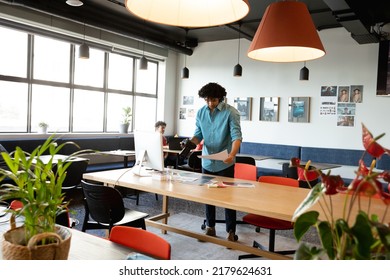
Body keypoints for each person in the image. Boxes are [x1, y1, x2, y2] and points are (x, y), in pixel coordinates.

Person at [182, 82, 243, 242]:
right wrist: (190, 144)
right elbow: (198, 134)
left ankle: (231, 231)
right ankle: (210, 227)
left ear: (220, 98)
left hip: (225, 162)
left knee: (228, 198)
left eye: (214, 100)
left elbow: (237, 136)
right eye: (207, 100)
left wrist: (232, 154)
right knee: (208, 196)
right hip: (207, 162)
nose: (210, 103)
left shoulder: (231, 113)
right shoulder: (201, 112)